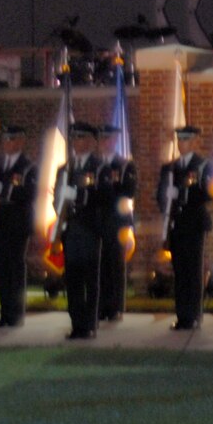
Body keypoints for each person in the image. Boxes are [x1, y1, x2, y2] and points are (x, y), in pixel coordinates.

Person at [53, 122, 108, 340]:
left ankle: (90, 323)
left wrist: (78, 196)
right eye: (75, 138)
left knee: (90, 279)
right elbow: (57, 200)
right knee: (73, 279)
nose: (77, 142)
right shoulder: (66, 169)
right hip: (71, 229)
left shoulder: (99, 168)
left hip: (90, 228)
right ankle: (77, 323)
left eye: (81, 137)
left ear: (91, 141)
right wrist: (61, 202)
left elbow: (104, 198)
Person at [157, 124, 212, 331]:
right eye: (180, 140)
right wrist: (166, 197)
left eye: (186, 140)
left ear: (195, 142)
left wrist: (180, 194)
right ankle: (182, 315)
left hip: (195, 224)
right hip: (176, 225)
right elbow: (160, 197)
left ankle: (194, 315)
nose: (182, 144)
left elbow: (206, 194)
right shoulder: (169, 168)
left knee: (194, 270)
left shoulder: (203, 166)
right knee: (180, 271)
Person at [0, 125, 39, 329]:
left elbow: (30, 193)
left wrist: (5, 190)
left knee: (15, 268)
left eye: (10, 139)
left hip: (18, 224)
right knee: (1, 268)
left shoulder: (28, 167)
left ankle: (16, 313)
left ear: (20, 141)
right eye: (4, 140)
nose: (5, 144)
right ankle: (5, 312)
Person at [94, 124, 138, 325]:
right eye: (102, 139)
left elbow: (128, 190)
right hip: (98, 220)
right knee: (100, 265)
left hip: (117, 222)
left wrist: (110, 188)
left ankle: (116, 307)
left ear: (114, 141)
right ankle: (101, 307)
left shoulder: (124, 165)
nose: (105, 142)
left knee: (116, 264)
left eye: (108, 139)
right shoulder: (94, 165)